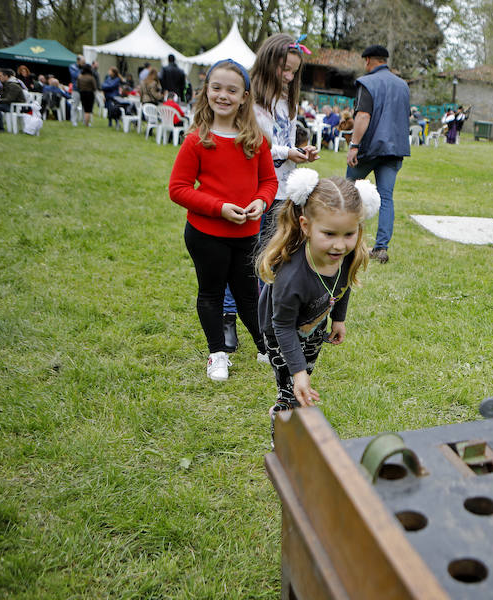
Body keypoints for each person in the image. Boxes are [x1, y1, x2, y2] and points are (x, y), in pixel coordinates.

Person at [168, 59, 278, 382]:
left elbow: (269, 181)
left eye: (232, 90)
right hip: (206, 234)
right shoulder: (197, 139)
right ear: (207, 92)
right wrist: (219, 208)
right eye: (216, 88)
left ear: (245, 96)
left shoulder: (256, 139)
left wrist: (261, 201)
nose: (223, 95)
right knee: (212, 292)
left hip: (246, 233)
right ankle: (217, 353)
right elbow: (178, 189)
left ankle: (264, 347)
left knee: (247, 293)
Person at [256, 168, 379, 434]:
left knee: (304, 374)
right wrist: (296, 372)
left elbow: (342, 286)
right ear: (306, 226)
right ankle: (283, 436)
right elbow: (283, 327)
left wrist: (339, 318)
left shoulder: (346, 256)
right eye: (329, 234)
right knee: (289, 390)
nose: (339, 246)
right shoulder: (292, 277)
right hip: (281, 333)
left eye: (349, 234)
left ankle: (297, 398)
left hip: (314, 326)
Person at [220, 33, 320, 352]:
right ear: (268, 61)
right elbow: (249, 142)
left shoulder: (286, 100)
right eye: (284, 69)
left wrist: (300, 152)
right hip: (252, 187)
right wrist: (285, 152)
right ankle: (228, 318)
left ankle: (267, 326)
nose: (289, 77)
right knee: (242, 258)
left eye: (294, 71)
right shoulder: (248, 98)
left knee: (273, 258)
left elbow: (284, 141)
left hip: (282, 188)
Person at [345, 44, 410, 264]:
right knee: (386, 198)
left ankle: (345, 238)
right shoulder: (403, 86)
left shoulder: (367, 83)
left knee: (348, 191)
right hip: (394, 150)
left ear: (370, 61)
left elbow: (363, 115)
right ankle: (381, 248)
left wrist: (354, 145)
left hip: (370, 147)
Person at [68, 54, 86, 126]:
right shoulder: (72, 66)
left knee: (85, 106)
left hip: (84, 89)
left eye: (84, 62)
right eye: (82, 62)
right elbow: (76, 76)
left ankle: (85, 121)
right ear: (78, 61)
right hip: (76, 89)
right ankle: (74, 121)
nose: (84, 64)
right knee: (75, 105)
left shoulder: (84, 67)